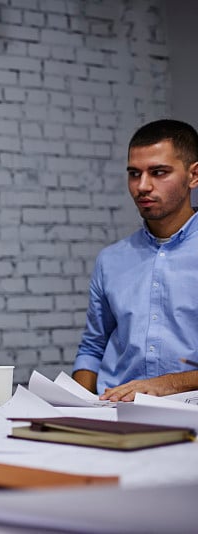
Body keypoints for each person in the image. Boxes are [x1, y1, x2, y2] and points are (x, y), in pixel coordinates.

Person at [72, 119, 198, 401]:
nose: (142, 186)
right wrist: (75, 404)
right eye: (134, 173)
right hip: (115, 412)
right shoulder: (111, 259)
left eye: (158, 172)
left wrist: (168, 384)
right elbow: (92, 349)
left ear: (194, 175)